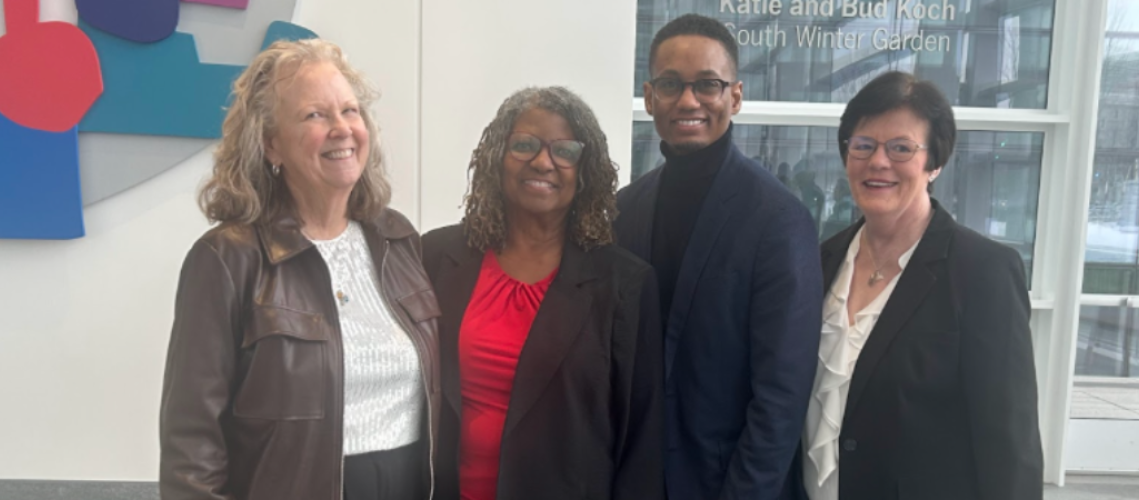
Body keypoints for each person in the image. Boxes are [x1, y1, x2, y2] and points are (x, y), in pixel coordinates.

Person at [160, 39, 440, 500]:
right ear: (271, 144)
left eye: (349, 111)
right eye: (315, 115)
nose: (341, 129)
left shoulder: (397, 240)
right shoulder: (228, 259)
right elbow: (191, 446)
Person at [793, 71, 1043, 500]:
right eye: (863, 145)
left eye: (901, 148)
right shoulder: (820, 261)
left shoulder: (982, 272)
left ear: (935, 163)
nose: (878, 162)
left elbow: (1009, 444)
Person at [614, 14, 824, 500]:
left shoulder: (778, 219)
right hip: (637, 480)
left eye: (708, 84)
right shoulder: (623, 211)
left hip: (729, 484)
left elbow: (782, 395)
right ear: (649, 97)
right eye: (671, 84)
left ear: (735, 96)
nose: (688, 101)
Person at [422, 87, 663, 500]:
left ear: (584, 170)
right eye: (524, 145)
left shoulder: (623, 284)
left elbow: (641, 436)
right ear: (498, 156)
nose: (542, 161)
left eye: (565, 151)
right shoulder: (435, 256)